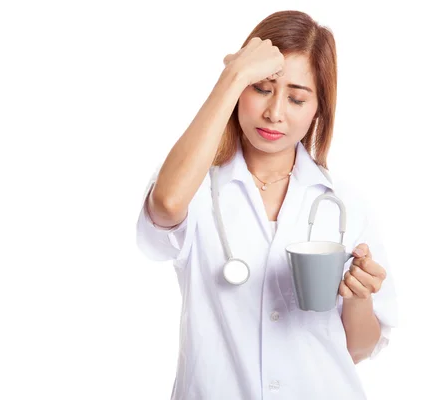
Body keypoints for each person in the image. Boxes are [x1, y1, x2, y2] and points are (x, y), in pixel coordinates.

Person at [136, 10, 398, 400]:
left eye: (296, 98)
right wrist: (231, 77)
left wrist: (359, 297)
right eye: (260, 88)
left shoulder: (343, 203)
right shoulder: (195, 183)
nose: (275, 112)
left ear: (318, 110)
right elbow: (167, 204)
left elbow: (356, 349)